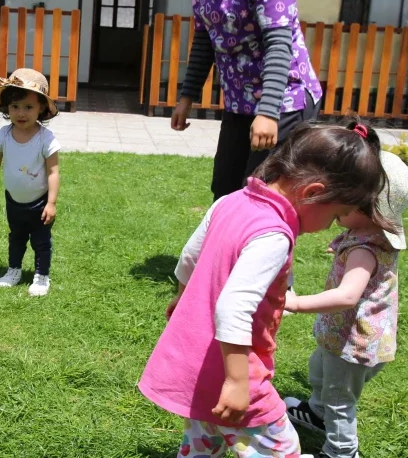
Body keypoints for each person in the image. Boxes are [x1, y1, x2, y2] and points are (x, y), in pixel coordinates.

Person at [139, 121, 387, 458]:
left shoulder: (231, 201)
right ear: (312, 193)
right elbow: (234, 307)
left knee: (205, 440)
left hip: (198, 361)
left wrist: (183, 297)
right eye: (335, 215)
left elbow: (189, 258)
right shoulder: (274, 235)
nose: (330, 226)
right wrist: (237, 382)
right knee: (282, 449)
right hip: (235, 370)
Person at [171, 0, 324, 201]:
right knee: (225, 189)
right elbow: (204, 41)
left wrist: (268, 112)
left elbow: (279, 44)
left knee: (260, 194)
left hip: (284, 99)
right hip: (239, 100)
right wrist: (186, 97)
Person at [283, 150, 408, 458]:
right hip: (344, 336)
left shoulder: (364, 249)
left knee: (339, 399)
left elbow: (347, 296)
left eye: (344, 201)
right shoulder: (367, 234)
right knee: (319, 370)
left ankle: (341, 451)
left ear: (368, 208)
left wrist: (296, 303)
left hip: (352, 345)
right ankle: (317, 413)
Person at [0, 69, 61, 297]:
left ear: (41, 108)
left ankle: (41, 276)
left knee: (41, 241)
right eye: (15, 106)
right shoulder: (4, 135)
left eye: (28, 107)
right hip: (14, 201)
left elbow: (53, 171)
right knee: (16, 238)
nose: (21, 113)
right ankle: (14, 270)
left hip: (40, 202)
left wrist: (51, 203)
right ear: (7, 107)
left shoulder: (46, 139)